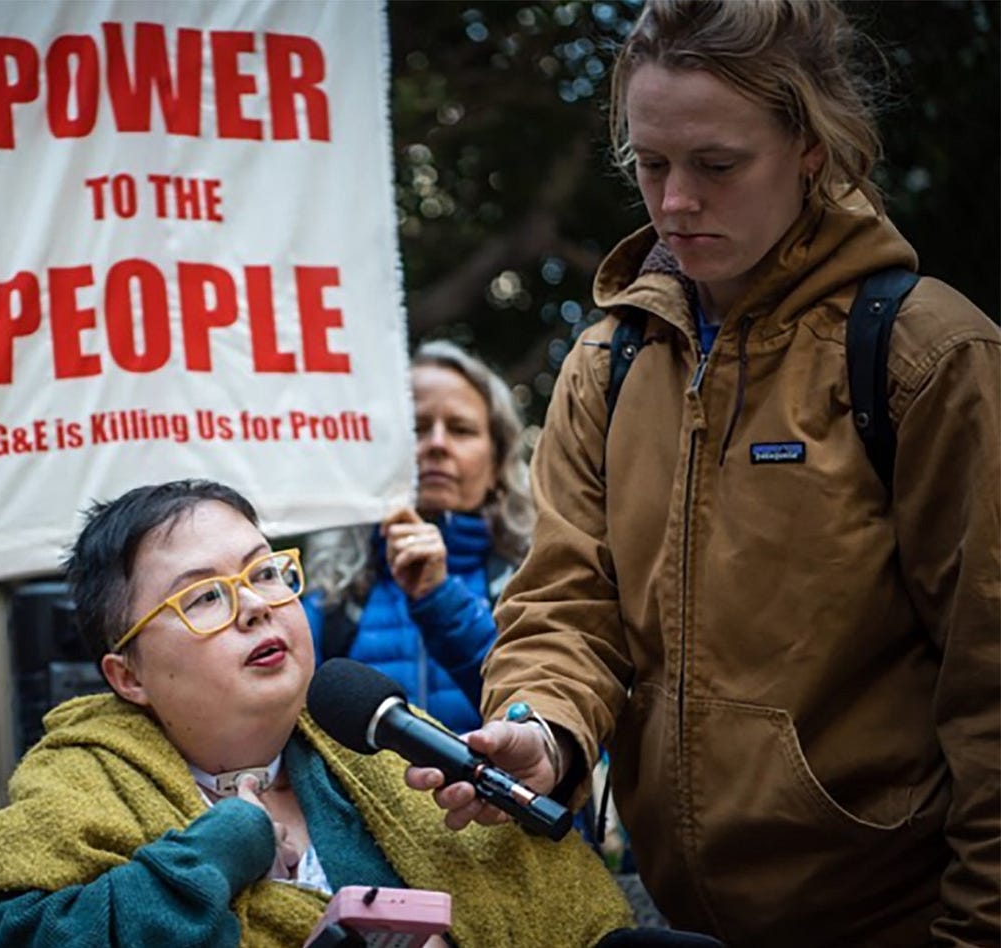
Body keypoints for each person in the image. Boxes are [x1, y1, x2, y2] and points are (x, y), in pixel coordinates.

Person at [407, 2, 1000, 947]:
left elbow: (989, 683)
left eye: (717, 165)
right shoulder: (608, 362)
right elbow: (564, 604)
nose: (675, 200)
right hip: (667, 922)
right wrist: (541, 727)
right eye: (650, 164)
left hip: (897, 920)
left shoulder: (928, 354)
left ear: (811, 147)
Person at [0, 479, 634, 947]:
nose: (254, 605)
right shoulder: (80, 782)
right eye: (205, 597)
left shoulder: (385, 752)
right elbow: (19, 934)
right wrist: (223, 847)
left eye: (264, 572)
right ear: (129, 676)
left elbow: (576, 920)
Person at [302, 340, 534, 733]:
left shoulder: (539, 583)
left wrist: (441, 600)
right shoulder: (332, 599)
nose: (437, 444)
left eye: (460, 429)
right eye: (416, 429)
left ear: (498, 463)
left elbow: (559, 723)